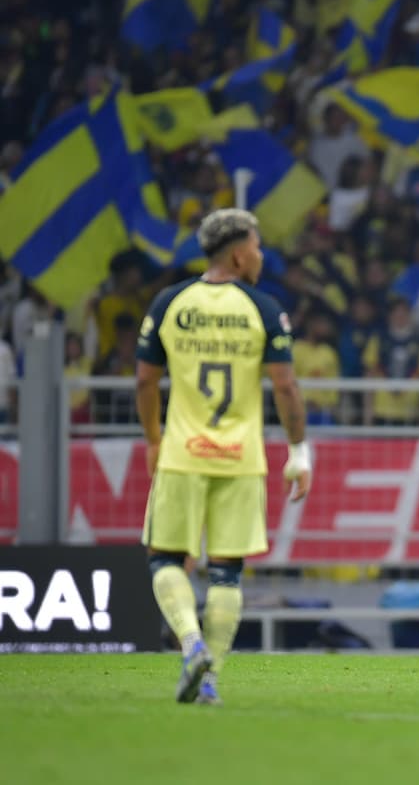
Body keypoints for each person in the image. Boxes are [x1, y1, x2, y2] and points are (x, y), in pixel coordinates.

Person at [136, 208, 312, 705]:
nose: (261, 255)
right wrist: (298, 452)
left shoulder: (169, 303)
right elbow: (285, 387)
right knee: (227, 572)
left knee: (164, 558)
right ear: (237, 255)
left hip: (182, 454)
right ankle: (210, 678)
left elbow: (146, 381)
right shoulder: (264, 309)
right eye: (256, 246)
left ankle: (190, 643)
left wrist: (154, 439)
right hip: (240, 459)